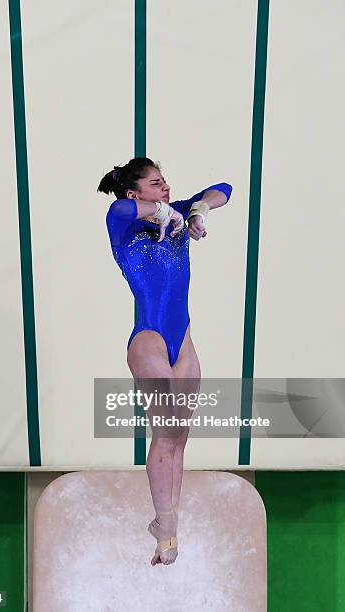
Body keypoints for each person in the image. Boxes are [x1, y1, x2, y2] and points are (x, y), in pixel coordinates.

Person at [97, 157, 232, 566]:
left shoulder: (178, 213)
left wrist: (197, 210)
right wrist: (162, 211)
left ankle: (167, 532)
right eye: (156, 184)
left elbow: (224, 188)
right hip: (150, 340)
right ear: (136, 192)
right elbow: (118, 209)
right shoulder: (124, 225)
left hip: (182, 341)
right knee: (167, 431)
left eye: (165, 181)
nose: (166, 188)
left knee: (179, 438)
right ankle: (164, 524)